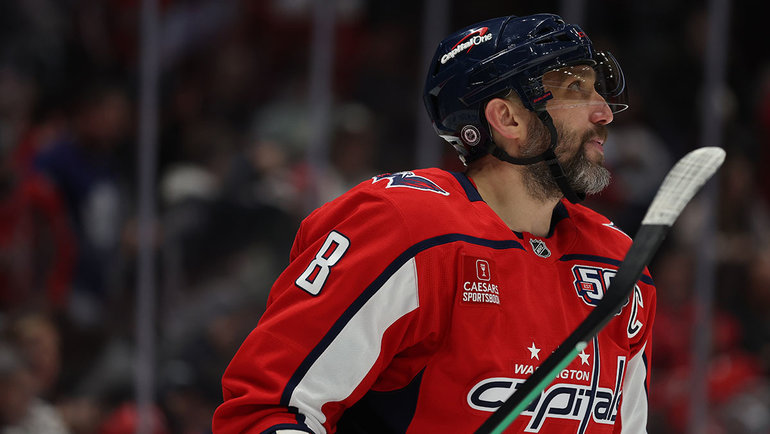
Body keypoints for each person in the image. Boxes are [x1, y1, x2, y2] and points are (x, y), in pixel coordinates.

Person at [213, 13, 656, 433]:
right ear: (508, 118)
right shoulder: (407, 229)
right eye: (576, 88)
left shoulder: (618, 263)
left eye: (597, 90)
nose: (605, 112)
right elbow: (265, 409)